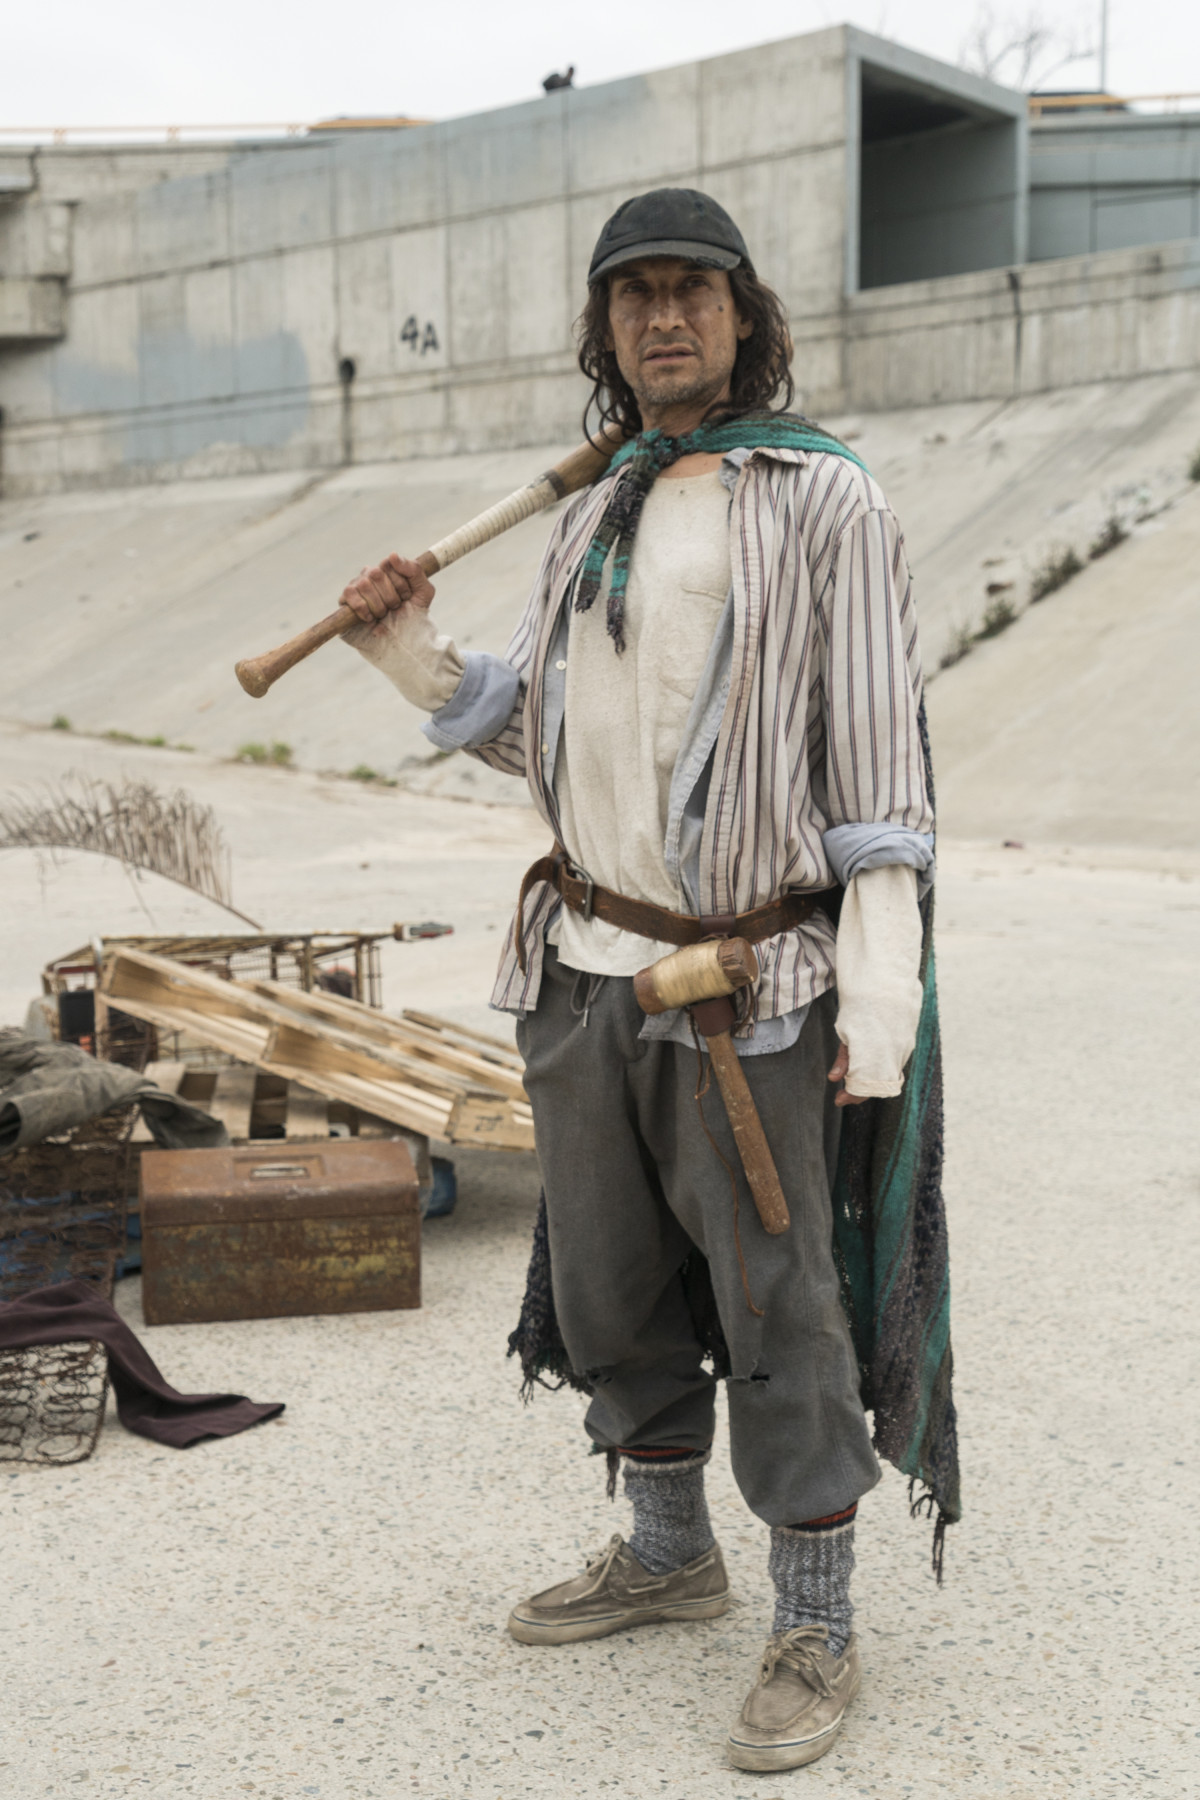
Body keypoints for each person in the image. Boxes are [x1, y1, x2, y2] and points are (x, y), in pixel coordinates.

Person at [337, 187, 957, 1775]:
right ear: (604, 329)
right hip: (582, 963)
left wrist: (877, 1006)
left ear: (745, 315)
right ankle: (671, 1555)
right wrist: (410, 652)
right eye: (635, 295)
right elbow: (548, 743)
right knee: (610, 1288)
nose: (664, 317)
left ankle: (815, 1622)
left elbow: (880, 780)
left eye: (693, 290)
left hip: (743, 983)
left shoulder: (823, 501)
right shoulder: (592, 506)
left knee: (777, 1301)